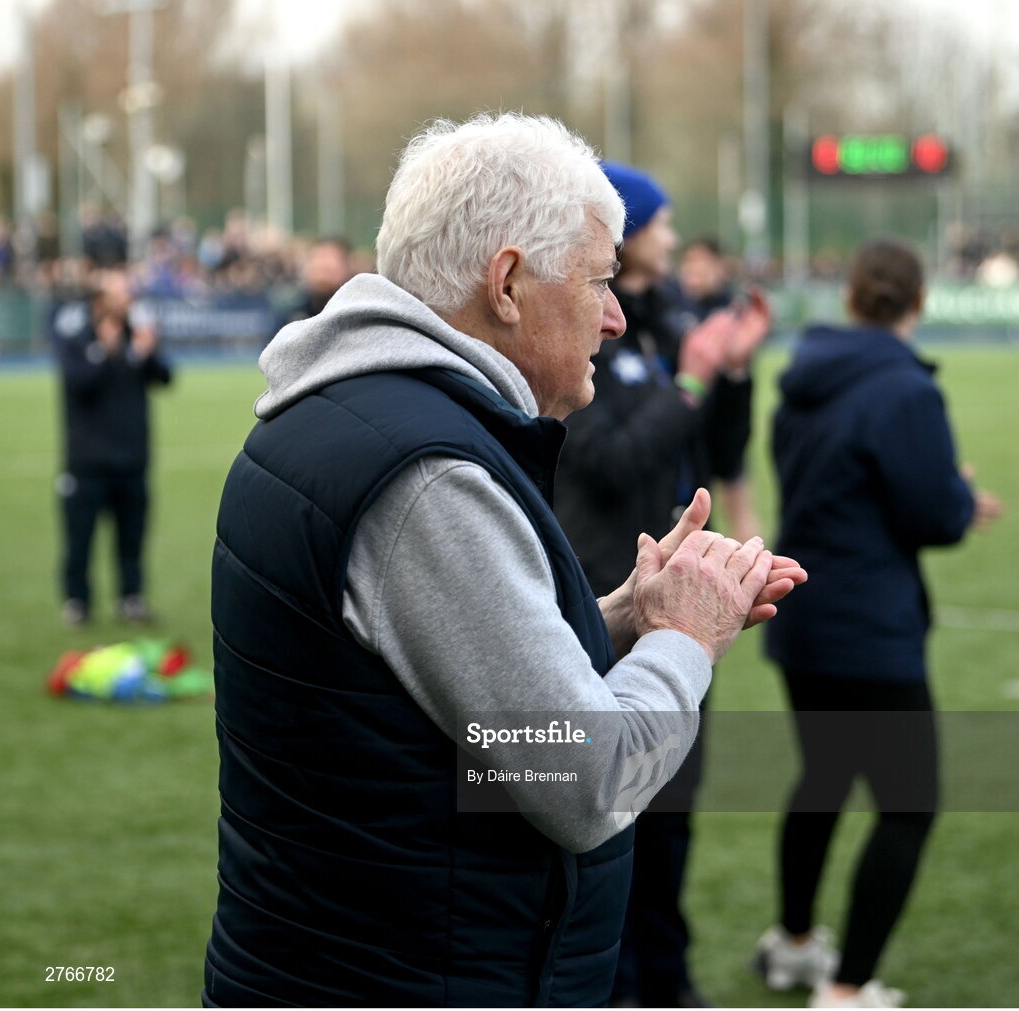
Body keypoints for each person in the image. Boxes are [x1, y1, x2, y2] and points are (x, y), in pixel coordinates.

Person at [203, 113, 805, 1008]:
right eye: (600, 281)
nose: (616, 314)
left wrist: (621, 616)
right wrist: (686, 638)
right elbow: (587, 778)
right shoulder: (427, 477)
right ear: (510, 284)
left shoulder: (348, 413)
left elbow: (426, 670)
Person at [753, 238, 1002, 1009]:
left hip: (804, 614)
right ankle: (848, 986)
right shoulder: (903, 388)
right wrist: (960, 499)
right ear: (917, 302)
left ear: (853, 297)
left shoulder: (804, 379)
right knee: (908, 802)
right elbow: (929, 512)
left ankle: (794, 945)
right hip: (870, 630)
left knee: (823, 776)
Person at [553, 164, 769, 1008]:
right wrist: (687, 377)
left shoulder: (666, 317)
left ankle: (667, 979)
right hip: (610, 593)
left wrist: (732, 372)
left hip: (677, 598)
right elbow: (606, 462)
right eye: (662, 222)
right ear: (623, 227)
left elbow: (711, 439)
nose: (675, 239)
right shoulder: (587, 333)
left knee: (674, 809)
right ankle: (621, 983)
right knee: (615, 814)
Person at [55, 268, 172, 627]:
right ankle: (77, 602)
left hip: (133, 458)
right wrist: (105, 353)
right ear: (99, 299)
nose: (128, 297)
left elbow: (165, 378)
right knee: (80, 538)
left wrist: (148, 353)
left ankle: (131, 598)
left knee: (132, 536)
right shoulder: (75, 337)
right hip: (87, 461)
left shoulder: (137, 334)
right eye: (119, 292)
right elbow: (78, 385)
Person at [675, 236, 761, 543]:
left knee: (737, 498)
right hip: (689, 420)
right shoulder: (675, 304)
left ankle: (752, 570)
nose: (694, 270)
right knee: (697, 508)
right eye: (689, 262)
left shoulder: (730, 307)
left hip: (723, 420)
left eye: (702, 263)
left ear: (719, 266)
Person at [283, 235, 354, 324]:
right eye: (318, 258)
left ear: (346, 267)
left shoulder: (355, 311)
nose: (322, 264)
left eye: (329, 270)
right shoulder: (293, 311)